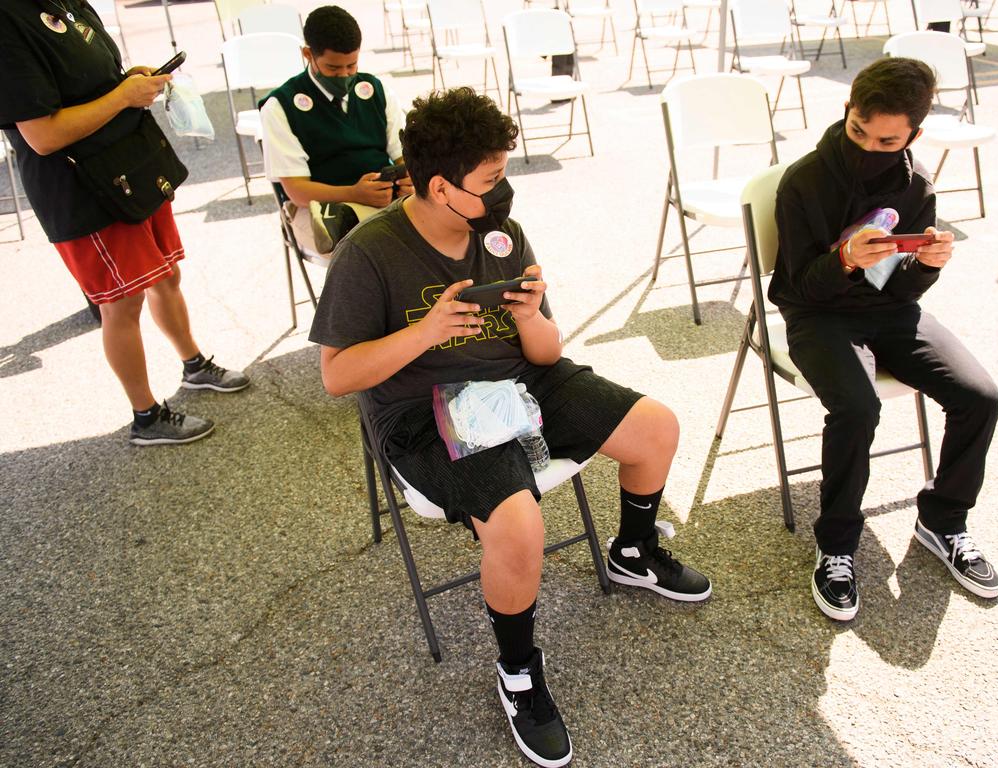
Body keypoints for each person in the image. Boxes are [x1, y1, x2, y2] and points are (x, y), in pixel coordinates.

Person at [310, 87, 711, 767]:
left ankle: (634, 550)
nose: (505, 191)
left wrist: (528, 317)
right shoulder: (369, 254)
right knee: (521, 524)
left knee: (655, 428)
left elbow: (548, 352)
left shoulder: (500, 234)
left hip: (518, 382)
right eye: (492, 178)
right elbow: (338, 375)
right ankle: (518, 671)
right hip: (424, 410)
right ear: (441, 187)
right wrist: (426, 331)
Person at [769, 57, 998, 622]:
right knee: (858, 405)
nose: (869, 147)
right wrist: (844, 260)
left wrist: (929, 265)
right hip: (817, 315)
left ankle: (942, 521)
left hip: (892, 313)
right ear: (846, 110)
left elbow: (904, 290)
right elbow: (793, 288)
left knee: (980, 397)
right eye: (858, 131)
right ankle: (838, 542)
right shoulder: (804, 179)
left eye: (887, 140)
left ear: (914, 135)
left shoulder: (916, 181)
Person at [0, 0, 250, 446]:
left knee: (167, 275)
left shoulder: (67, 3)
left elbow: (88, 81)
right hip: (83, 187)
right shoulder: (9, 20)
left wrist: (126, 82)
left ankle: (193, 364)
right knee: (121, 303)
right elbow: (43, 135)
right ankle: (146, 415)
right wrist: (121, 97)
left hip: (128, 165)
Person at [259, 4, 412, 254]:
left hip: (383, 200)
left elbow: (405, 157)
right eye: (333, 68)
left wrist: (410, 179)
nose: (344, 75)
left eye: (351, 66)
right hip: (316, 209)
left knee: (438, 231)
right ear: (308, 54)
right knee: (374, 250)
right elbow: (297, 191)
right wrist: (353, 193)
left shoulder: (376, 90)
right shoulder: (281, 106)